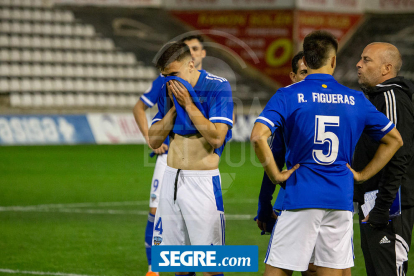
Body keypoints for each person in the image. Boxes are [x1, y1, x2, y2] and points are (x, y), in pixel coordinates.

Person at [250, 30, 403, 276]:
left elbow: (258, 136)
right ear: (333, 61)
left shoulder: (288, 95)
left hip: (302, 196)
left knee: (278, 270)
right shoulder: (355, 99)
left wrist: (276, 176)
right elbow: (394, 139)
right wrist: (362, 175)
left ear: (306, 61)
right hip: (340, 200)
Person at [148, 41, 233, 276]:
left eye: (173, 74)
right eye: (165, 76)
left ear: (191, 64)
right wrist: (174, 110)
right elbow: (154, 140)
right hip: (171, 179)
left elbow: (216, 137)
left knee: (210, 266)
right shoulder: (168, 90)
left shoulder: (217, 87)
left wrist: (188, 104)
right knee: (179, 263)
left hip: (201, 182)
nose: (169, 81)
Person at [133, 35, 206, 276]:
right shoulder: (168, 82)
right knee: (157, 212)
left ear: (202, 54)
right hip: (169, 159)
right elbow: (139, 107)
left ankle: (189, 268)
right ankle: (153, 269)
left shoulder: (212, 85)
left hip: (199, 164)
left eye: (197, 49)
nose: (194, 53)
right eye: (190, 49)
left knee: (195, 223)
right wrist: (151, 140)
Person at [353, 42, 414, 276]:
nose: (359, 64)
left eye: (367, 60)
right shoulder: (378, 98)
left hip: (389, 207)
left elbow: (400, 156)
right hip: (377, 204)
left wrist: (383, 207)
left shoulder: (391, 97)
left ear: (386, 68)